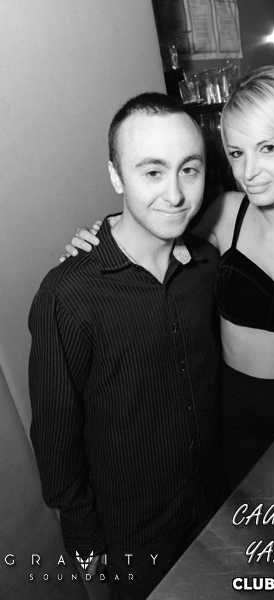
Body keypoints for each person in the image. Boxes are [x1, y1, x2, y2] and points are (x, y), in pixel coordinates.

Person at [62, 66, 274, 490]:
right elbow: (159, 241)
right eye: (236, 153)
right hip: (223, 412)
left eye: (268, 148)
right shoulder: (226, 214)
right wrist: (103, 235)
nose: (248, 171)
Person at [29, 92, 224, 600]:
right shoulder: (68, 295)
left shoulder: (206, 267)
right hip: (134, 534)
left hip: (214, 502)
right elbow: (55, 434)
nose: (176, 194)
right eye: (152, 172)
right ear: (116, 177)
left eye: (189, 170)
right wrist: (83, 536)